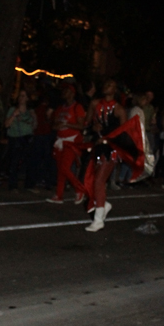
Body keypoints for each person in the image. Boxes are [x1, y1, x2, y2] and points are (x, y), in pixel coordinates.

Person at [83, 79, 127, 231]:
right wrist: (92, 127)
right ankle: (104, 204)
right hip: (97, 146)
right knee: (95, 179)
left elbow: (124, 132)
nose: (106, 87)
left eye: (110, 85)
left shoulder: (119, 109)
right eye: (105, 84)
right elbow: (86, 122)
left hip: (111, 148)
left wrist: (108, 138)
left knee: (99, 181)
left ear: (115, 90)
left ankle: (98, 220)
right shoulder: (95, 104)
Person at [47, 82, 87, 203]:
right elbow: (54, 124)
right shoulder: (60, 108)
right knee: (60, 168)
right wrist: (56, 125)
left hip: (72, 141)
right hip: (60, 140)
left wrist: (67, 124)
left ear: (72, 93)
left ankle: (79, 189)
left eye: (67, 91)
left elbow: (80, 126)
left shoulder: (77, 107)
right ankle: (59, 195)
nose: (64, 93)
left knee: (65, 167)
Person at [3, 88, 36, 190]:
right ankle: (13, 185)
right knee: (15, 162)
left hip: (27, 137)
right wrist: (14, 115)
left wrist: (32, 118)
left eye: (23, 96)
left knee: (29, 162)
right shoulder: (13, 110)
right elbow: (6, 124)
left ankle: (28, 185)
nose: (21, 98)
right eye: (20, 96)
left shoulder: (30, 112)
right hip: (16, 138)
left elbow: (34, 125)